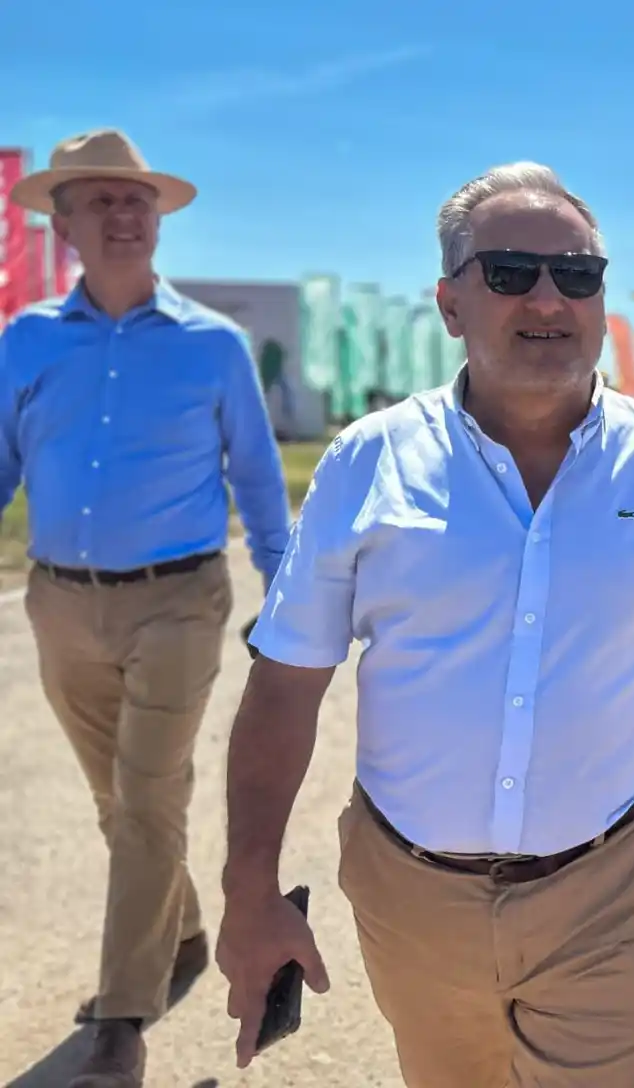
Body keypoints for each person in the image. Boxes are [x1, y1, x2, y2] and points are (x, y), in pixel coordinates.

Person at [214, 162, 634, 1087]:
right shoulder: (365, 462)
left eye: (577, 274)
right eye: (510, 272)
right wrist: (248, 889)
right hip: (412, 894)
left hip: (612, 888)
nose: (549, 297)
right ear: (451, 302)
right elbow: (284, 684)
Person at [0, 129, 291, 1087]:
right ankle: (184, 933)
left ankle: (122, 1021)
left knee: (148, 797)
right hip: (60, 606)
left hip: (178, 601)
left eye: (137, 202)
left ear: (157, 220)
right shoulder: (27, 341)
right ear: (65, 223)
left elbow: (255, 475)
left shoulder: (214, 344)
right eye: (100, 202)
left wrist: (283, 593)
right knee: (117, 802)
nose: (122, 216)